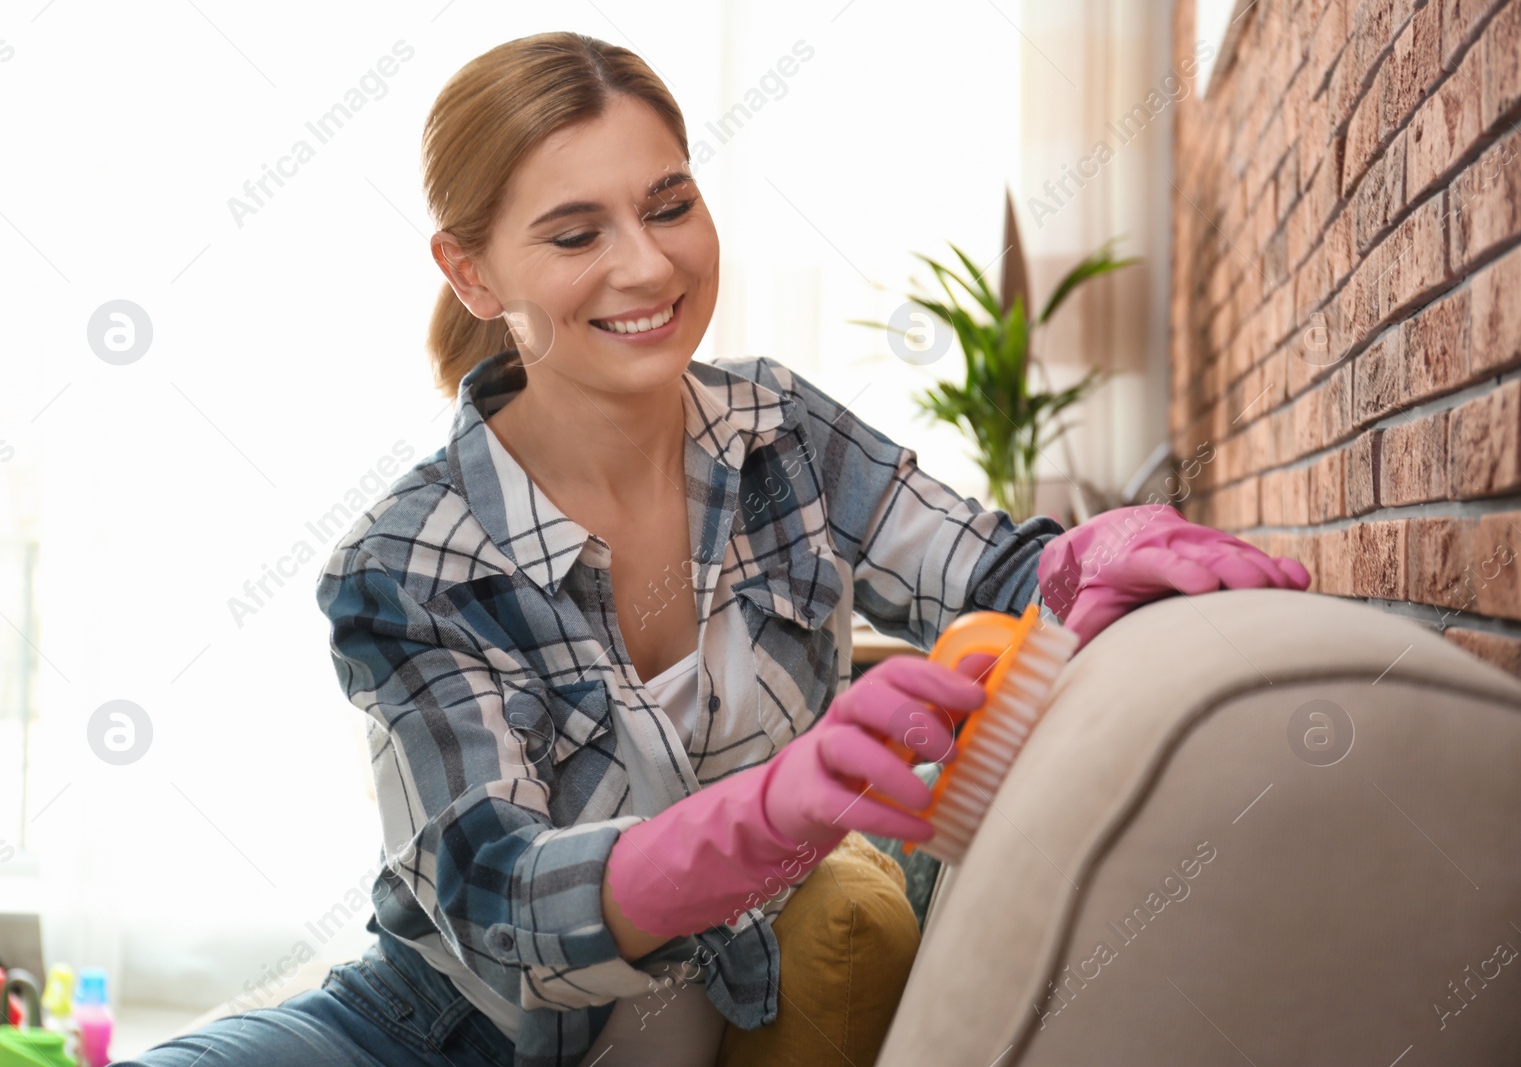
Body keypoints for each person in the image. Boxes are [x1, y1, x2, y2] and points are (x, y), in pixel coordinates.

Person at [114, 30, 1309, 1067]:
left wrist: (1097, 557)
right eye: (576, 233)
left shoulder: (778, 431)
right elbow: (499, 901)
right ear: (470, 271)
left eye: (669, 204)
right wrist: (767, 811)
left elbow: (996, 566)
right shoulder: (407, 560)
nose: (648, 265)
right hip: (442, 1031)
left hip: (716, 996)